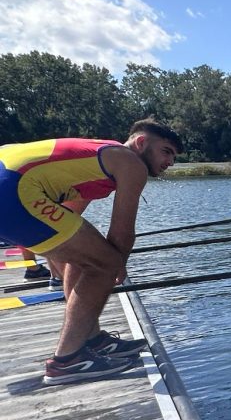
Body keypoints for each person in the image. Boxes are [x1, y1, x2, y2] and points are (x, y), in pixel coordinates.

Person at [0, 120, 183, 384]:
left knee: (88, 255)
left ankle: (91, 339)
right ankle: (66, 360)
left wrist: (102, 260)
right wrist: (115, 265)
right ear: (142, 142)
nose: (170, 162)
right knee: (105, 261)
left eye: (174, 157)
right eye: (166, 151)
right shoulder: (130, 163)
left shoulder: (96, 157)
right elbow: (122, 233)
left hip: (10, 179)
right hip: (13, 189)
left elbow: (71, 224)